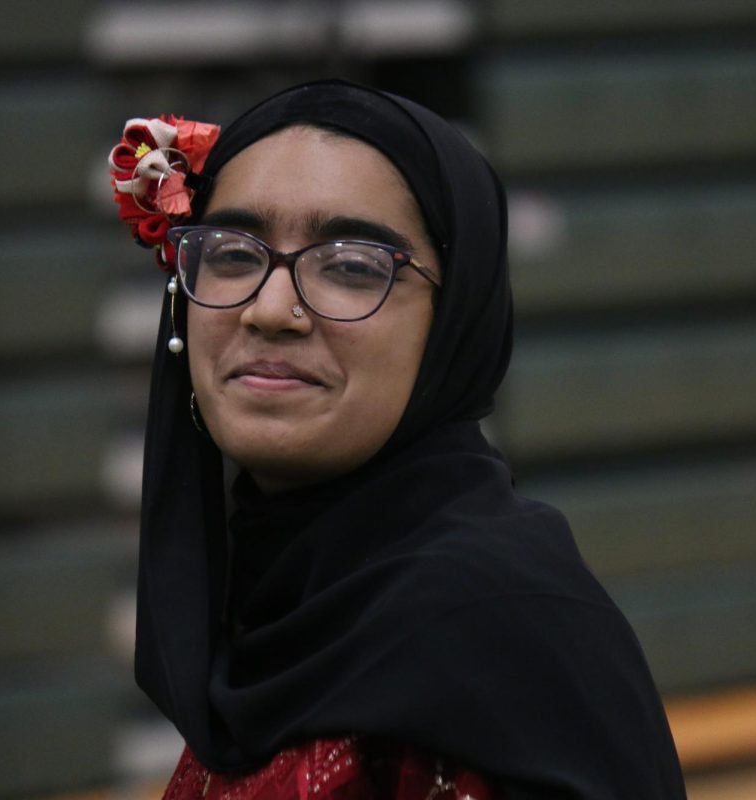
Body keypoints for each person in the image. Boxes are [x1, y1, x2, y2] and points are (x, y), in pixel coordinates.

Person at [109, 79, 686, 799]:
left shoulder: (498, 632)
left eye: (351, 267)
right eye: (230, 254)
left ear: (454, 325)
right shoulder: (271, 601)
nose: (270, 309)